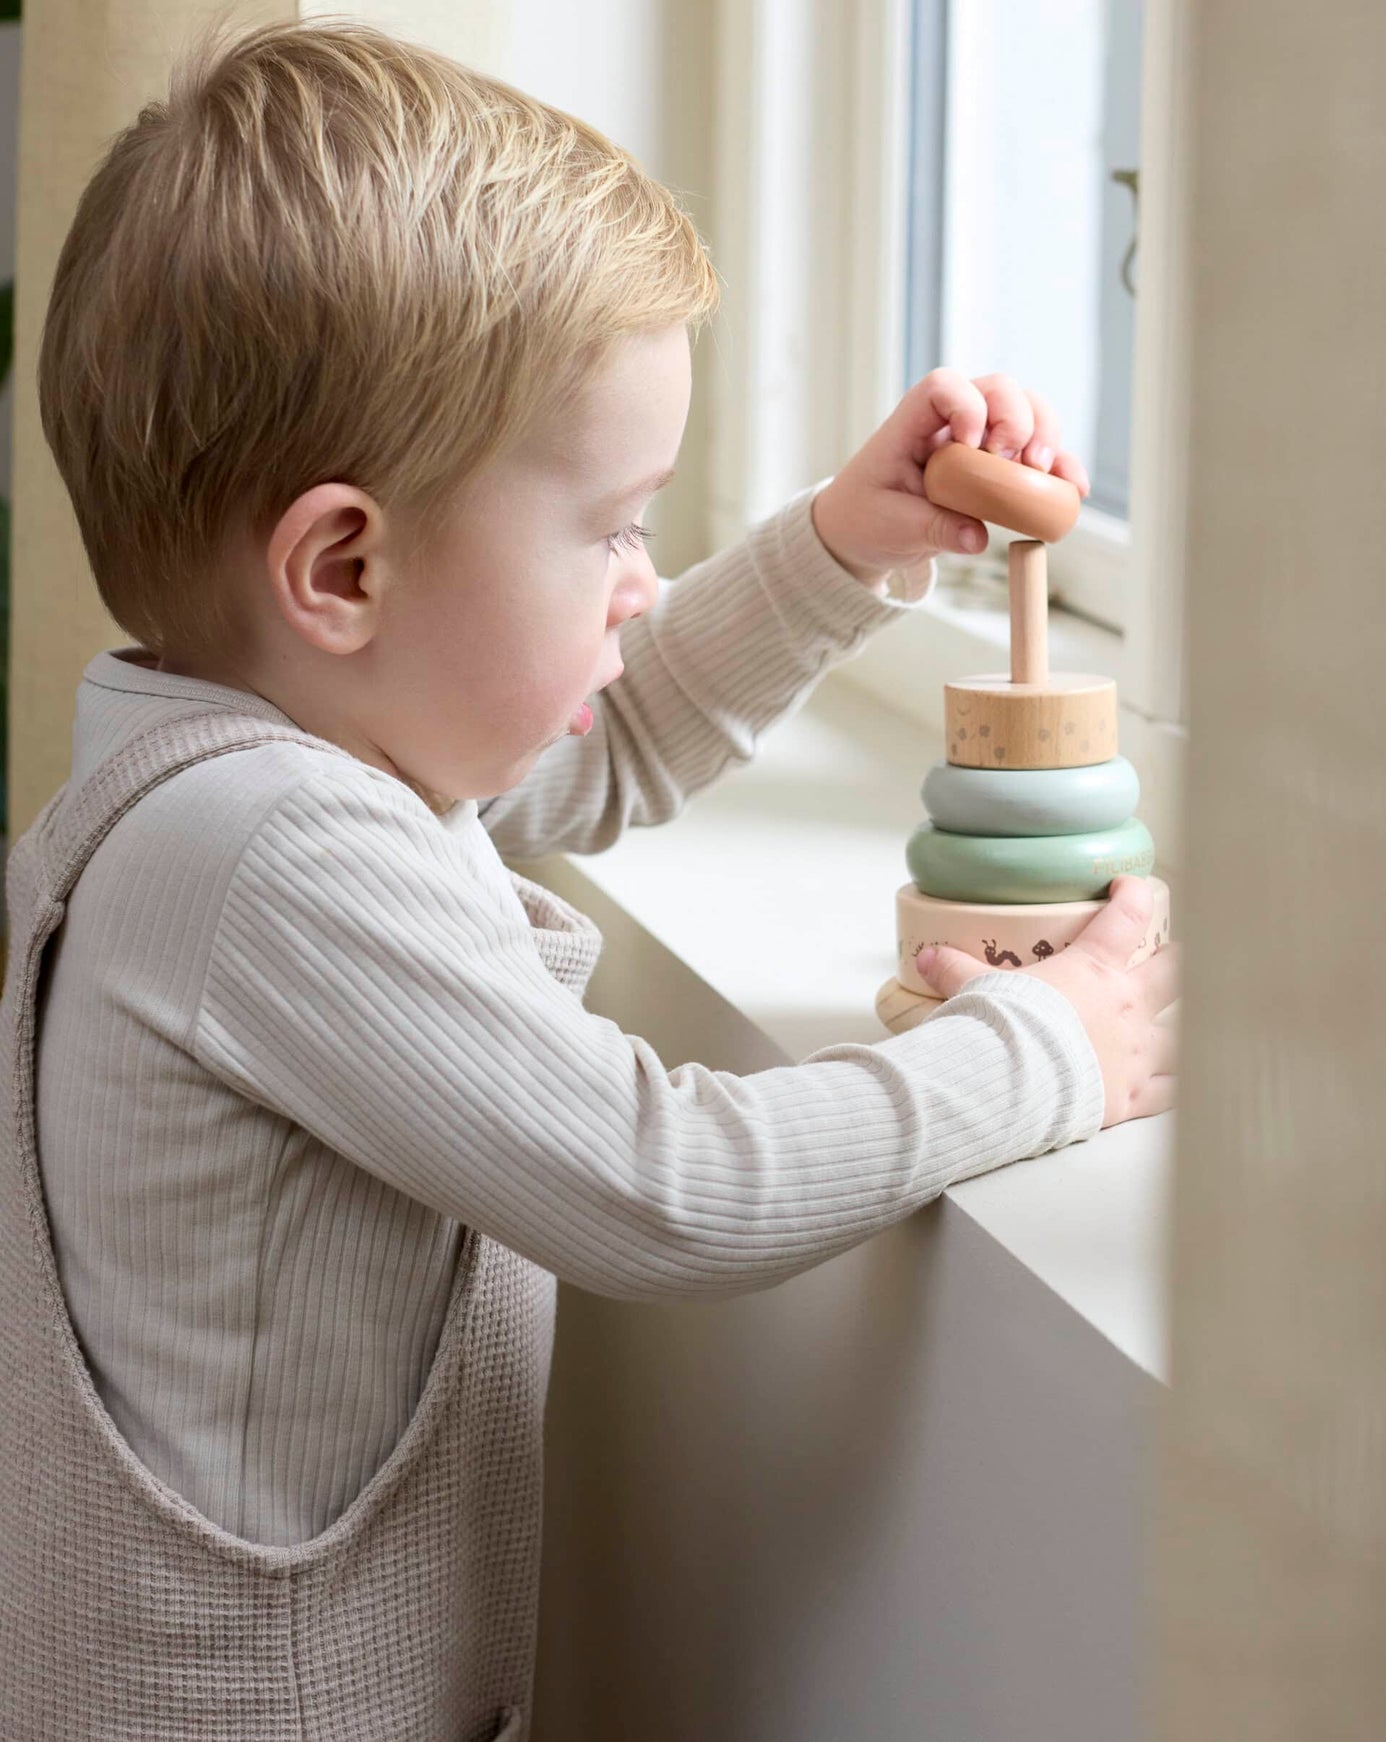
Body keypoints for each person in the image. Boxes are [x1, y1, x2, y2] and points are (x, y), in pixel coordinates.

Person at [0, 19, 1178, 1740]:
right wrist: (1046, 1052)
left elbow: (594, 751)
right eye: (612, 525)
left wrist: (842, 549)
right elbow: (661, 1184)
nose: (640, 581)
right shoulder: (266, 853)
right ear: (344, 565)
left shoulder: (278, 754)